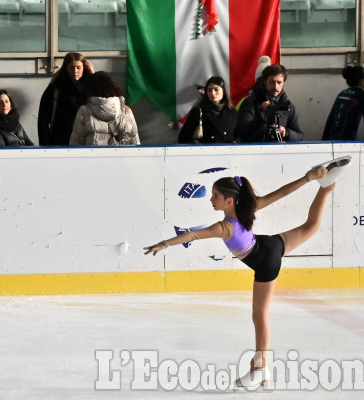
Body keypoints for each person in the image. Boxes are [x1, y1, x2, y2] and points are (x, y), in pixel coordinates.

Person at [144, 155, 352, 389]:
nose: (211, 200)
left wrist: (165, 243)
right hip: (270, 244)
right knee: (311, 226)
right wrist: (308, 179)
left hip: (265, 262)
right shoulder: (246, 208)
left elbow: (193, 235)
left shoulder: (224, 227)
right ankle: (326, 189)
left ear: (230, 200)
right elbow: (281, 193)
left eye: (215, 196)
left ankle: (261, 368)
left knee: (259, 316)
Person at [236, 64, 304, 143]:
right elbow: (241, 133)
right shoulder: (250, 103)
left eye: (279, 82)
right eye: (272, 82)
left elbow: (300, 137)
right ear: (265, 81)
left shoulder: (288, 106)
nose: (275, 87)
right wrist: (261, 118)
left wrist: (286, 133)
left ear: (283, 83)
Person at [38, 52, 94, 146]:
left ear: (84, 68)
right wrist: (45, 146)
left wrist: (93, 76)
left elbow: (103, 103)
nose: (75, 71)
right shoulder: (56, 87)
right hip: (60, 141)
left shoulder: (90, 88)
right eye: (72, 68)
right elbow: (43, 120)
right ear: (66, 68)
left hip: (86, 141)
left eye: (78, 67)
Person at [69, 71, 140, 146]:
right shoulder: (126, 110)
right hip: (122, 156)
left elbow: (76, 141)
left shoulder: (84, 111)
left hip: (93, 156)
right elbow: (135, 140)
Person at [321, 66, 364, 141]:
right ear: (362, 81)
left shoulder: (342, 94)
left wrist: (323, 142)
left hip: (332, 141)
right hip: (347, 143)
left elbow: (330, 120)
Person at [178, 76, 238, 144]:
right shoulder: (198, 112)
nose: (212, 93)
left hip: (227, 153)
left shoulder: (233, 113)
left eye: (216, 89)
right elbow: (183, 138)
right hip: (206, 153)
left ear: (223, 91)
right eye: (209, 90)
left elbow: (237, 136)